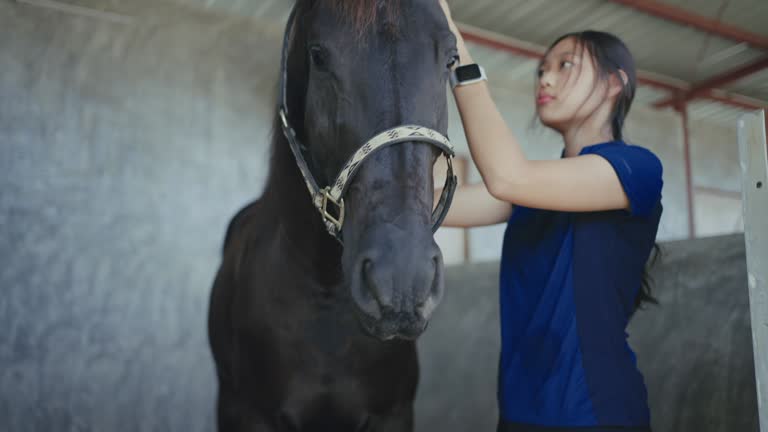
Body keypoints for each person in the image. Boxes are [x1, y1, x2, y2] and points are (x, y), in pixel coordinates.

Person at [438, 2, 663, 431]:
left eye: (565, 65)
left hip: (595, 416)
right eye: (542, 69)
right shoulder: (531, 193)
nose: (545, 77)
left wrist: (450, 41)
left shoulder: (637, 168)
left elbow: (507, 176)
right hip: (517, 417)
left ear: (615, 83)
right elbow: (432, 205)